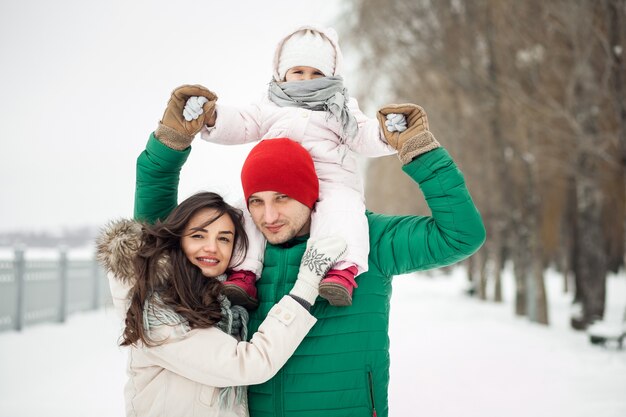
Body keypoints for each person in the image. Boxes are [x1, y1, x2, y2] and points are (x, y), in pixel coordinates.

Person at [135, 83, 486, 417]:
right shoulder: (239, 250)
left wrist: (421, 153)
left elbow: (460, 235)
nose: (268, 217)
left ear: (308, 193)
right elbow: (156, 235)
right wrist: (170, 146)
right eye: (256, 201)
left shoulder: (366, 238)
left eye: (282, 198)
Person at [181, 25, 401, 308]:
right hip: (278, 185)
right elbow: (243, 123)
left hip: (329, 180)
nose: (307, 80)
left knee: (344, 211)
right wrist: (212, 117)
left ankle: (341, 271)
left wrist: (388, 133)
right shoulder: (269, 104)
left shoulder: (339, 106)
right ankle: (244, 273)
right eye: (299, 72)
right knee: (249, 214)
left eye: (317, 73)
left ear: (331, 75)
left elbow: (362, 134)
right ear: (282, 73)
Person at [96, 191, 347, 417]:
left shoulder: (224, 305)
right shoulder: (157, 310)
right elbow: (249, 364)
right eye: (198, 235)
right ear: (177, 240)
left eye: (224, 239)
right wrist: (307, 282)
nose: (212, 247)